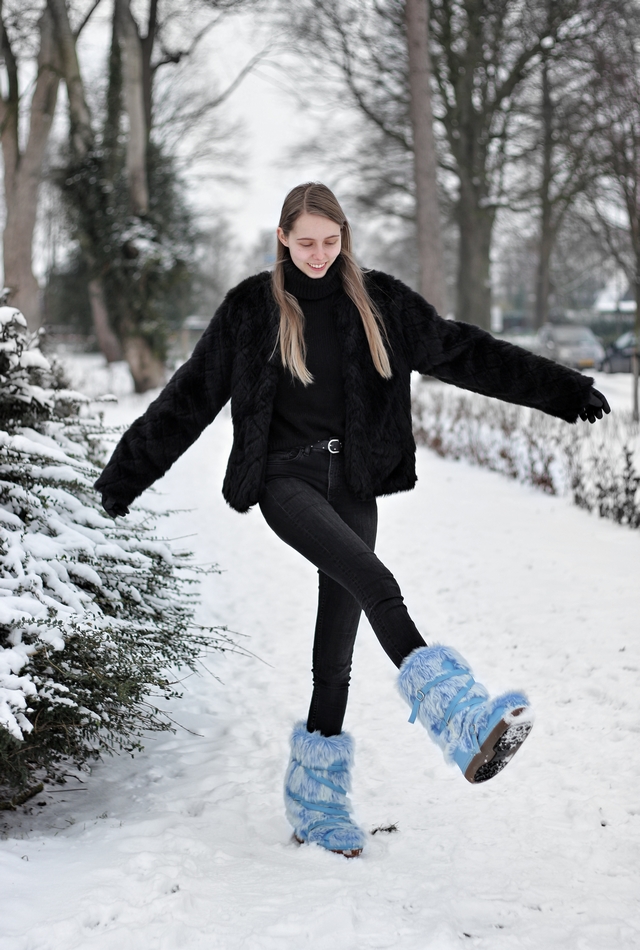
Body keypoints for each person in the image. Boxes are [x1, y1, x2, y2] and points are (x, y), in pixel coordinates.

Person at [95, 182, 610, 859]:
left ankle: (316, 801)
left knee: (335, 654)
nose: (317, 254)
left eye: (330, 241)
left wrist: (563, 390)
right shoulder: (252, 308)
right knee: (375, 580)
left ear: (344, 237)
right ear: (282, 237)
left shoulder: (381, 301)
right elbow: (188, 396)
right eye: (304, 241)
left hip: (354, 483)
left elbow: (465, 352)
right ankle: (458, 715)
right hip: (286, 479)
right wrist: (124, 477)